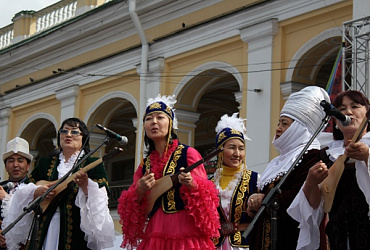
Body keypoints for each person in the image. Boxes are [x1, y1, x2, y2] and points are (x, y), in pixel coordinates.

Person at [117, 94, 220, 249]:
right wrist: (140, 189)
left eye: (160, 117)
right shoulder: (145, 165)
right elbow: (131, 206)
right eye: (149, 119)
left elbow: (208, 194)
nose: (154, 122)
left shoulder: (188, 153)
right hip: (155, 230)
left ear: (170, 123)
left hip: (185, 228)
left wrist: (192, 183)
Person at [3, 117, 115, 250]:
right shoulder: (45, 163)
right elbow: (23, 188)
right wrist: (36, 191)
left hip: (76, 231)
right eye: (64, 131)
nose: (68, 135)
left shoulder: (92, 164)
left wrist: (86, 186)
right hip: (45, 227)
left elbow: (101, 198)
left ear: (83, 138)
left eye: (74, 132)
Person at [246, 86, 330, 250]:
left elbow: (301, 194)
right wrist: (252, 201)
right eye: (279, 123)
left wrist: (264, 200)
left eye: (284, 124)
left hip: (290, 237)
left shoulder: (312, 156)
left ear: (299, 128)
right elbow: (264, 192)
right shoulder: (276, 163)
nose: (277, 128)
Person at [288, 90, 370, 250]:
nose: (348, 112)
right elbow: (318, 204)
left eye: (355, 106)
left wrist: (367, 156)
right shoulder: (327, 154)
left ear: (367, 113)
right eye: (341, 109)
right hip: (338, 236)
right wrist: (311, 183)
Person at [212, 113, 259, 249]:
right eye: (232, 147)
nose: (237, 154)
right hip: (216, 245)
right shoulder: (209, 182)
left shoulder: (255, 180)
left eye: (241, 148)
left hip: (244, 245)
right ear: (220, 151)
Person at [0, 137, 33, 249]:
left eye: (20, 160)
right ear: (5, 166)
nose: (15, 165)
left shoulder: (34, 188)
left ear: (28, 166)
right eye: (11, 161)